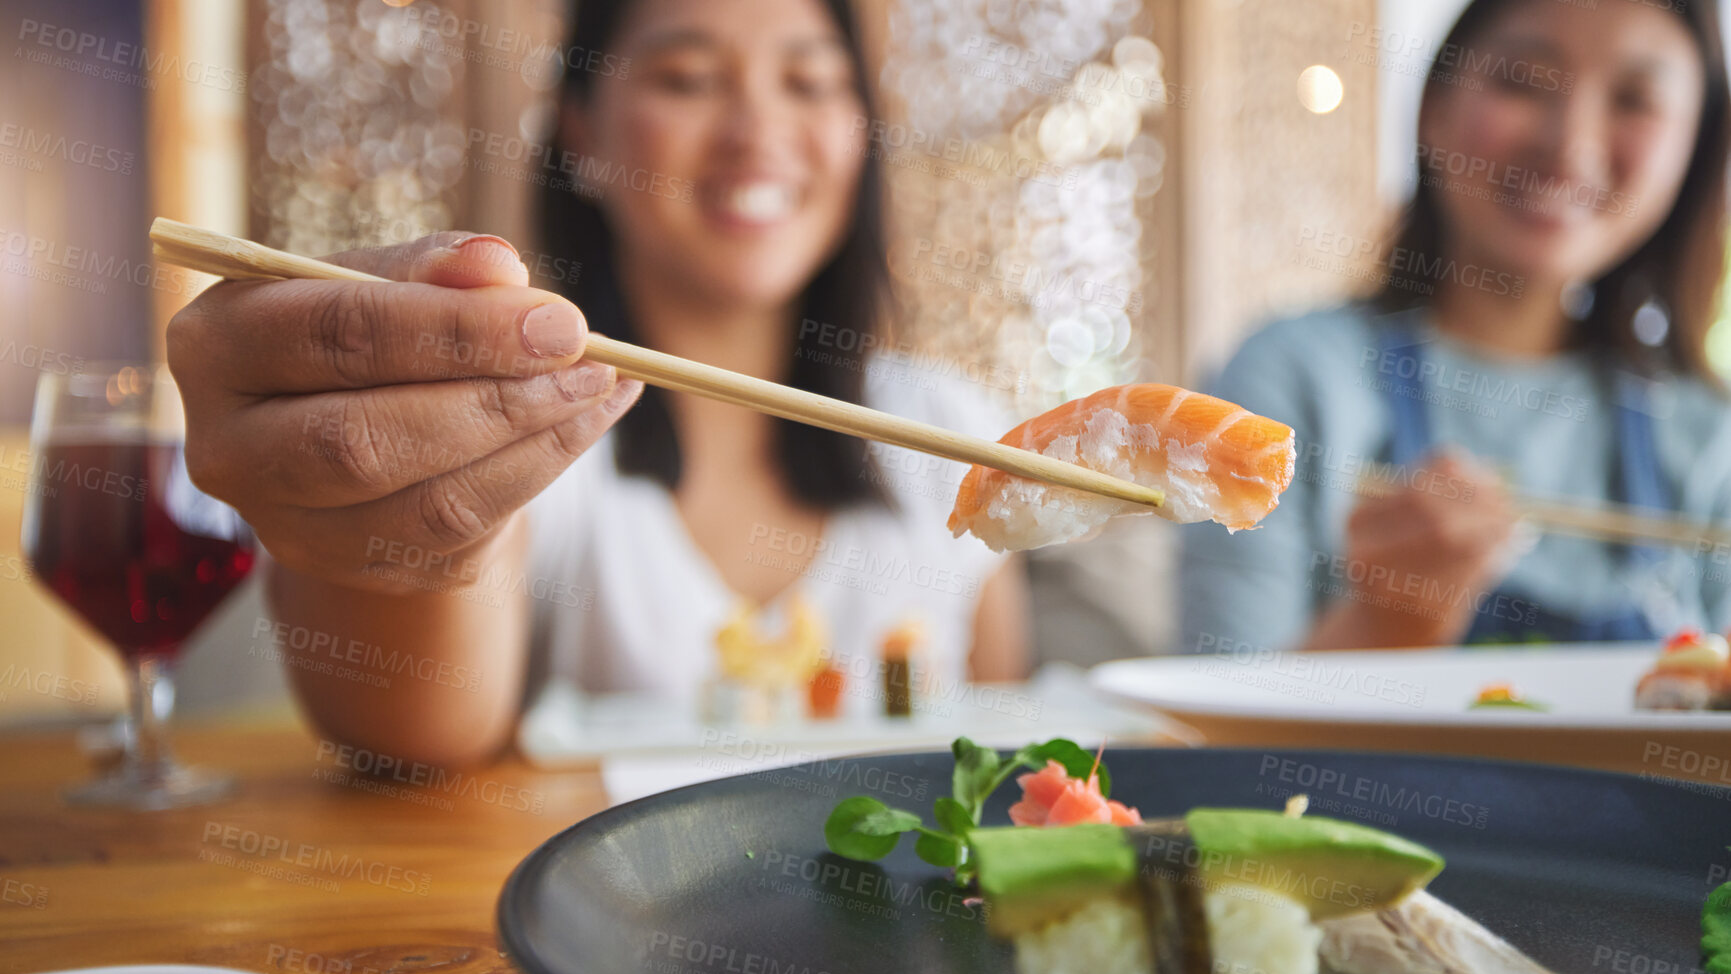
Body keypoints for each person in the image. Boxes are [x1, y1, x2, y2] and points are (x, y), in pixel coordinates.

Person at [166, 0, 1028, 767]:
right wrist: (388, 537)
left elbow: (998, 763)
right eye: (687, 78)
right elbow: (408, 735)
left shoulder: (950, 431)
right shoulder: (526, 420)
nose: (756, 129)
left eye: (808, 81)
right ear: (579, 130)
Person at [1179, 0, 1731, 654]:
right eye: (1520, 82)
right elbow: (1219, 725)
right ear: (1432, 109)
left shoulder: (1707, 436)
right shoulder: (1289, 377)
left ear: (1692, 149)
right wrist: (1387, 621)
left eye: (1634, 99)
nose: (1569, 144)